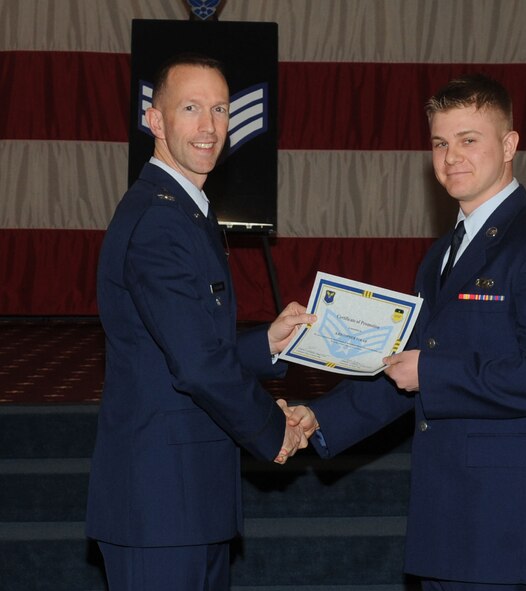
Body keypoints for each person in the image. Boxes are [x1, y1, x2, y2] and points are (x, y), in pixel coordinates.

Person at [287, 74, 526, 589]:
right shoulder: (443, 254)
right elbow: (406, 365)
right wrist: (317, 417)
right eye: (440, 142)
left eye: (468, 140)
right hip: (448, 517)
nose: (451, 156)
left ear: (509, 146)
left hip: (504, 526)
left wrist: (433, 371)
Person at [86, 54, 315, 591]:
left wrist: (265, 345)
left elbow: (182, 345)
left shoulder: (187, 209)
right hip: (160, 505)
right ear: (155, 121)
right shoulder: (161, 220)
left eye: (219, 109)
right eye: (190, 108)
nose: (209, 126)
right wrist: (271, 427)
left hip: (188, 501)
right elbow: (196, 365)